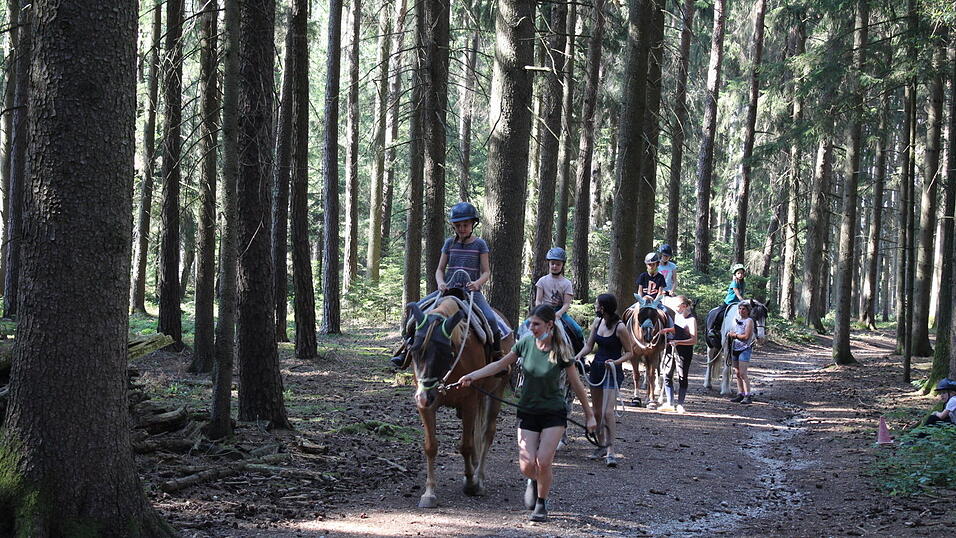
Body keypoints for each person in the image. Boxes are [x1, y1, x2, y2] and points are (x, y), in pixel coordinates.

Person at [457, 305, 596, 522]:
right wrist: (472, 375)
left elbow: (576, 384)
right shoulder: (525, 343)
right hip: (528, 411)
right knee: (527, 466)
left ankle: (541, 503)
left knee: (543, 461)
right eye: (530, 323)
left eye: (536, 324)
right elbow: (499, 365)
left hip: (553, 413)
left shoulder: (561, 350)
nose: (531, 328)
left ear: (549, 325)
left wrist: (590, 415)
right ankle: (533, 480)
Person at [390, 202, 501, 368]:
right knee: (415, 313)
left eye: (465, 225)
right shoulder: (449, 243)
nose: (462, 228)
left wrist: (477, 283)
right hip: (448, 290)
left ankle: (496, 357)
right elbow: (440, 269)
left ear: (472, 224)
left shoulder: (480, 244)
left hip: (470, 293)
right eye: (458, 225)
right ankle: (408, 349)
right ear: (453, 226)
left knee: (491, 319)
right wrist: (441, 283)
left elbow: (486, 272)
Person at [574, 293, 634, 467]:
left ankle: (611, 450)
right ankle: (600, 445)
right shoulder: (597, 322)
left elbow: (630, 352)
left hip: (612, 371)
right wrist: (578, 357)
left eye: (597, 304)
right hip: (597, 369)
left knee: (608, 412)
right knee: (597, 412)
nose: (595, 306)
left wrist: (615, 362)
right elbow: (589, 346)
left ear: (604, 307)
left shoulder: (620, 327)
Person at [534, 247, 583, 350]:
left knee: (577, 330)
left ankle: (579, 357)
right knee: (525, 328)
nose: (554, 266)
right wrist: (540, 311)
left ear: (562, 265)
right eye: (552, 263)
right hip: (543, 310)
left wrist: (559, 313)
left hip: (559, 312)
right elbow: (538, 300)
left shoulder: (566, 283)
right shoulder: (542, 281)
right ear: (549, 263)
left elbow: (566, 304)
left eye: (558, 264)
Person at [659, 295, 697, 413]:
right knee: (667, 374)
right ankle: (670, 403)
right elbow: (678, 329)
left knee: (682, 376)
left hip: (684, 351)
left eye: (677, 306)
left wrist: (678, 342)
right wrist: (668, 330)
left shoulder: (692, 320)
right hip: (672, 348)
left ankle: (680, 404)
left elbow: (693, 340)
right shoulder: (677, 316)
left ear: (684, 306)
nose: (675, 308)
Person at [728, 302, 755, 404]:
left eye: (743, 309)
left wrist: (734, 335)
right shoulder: (738, 320)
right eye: (740, 309)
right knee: (737, 373)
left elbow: (746, 336)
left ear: (748, 311)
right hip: (735, 348)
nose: (741, 311)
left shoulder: (749, 321)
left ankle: (748, 395)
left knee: (743, 373)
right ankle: (740, 393)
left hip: (745, 349)